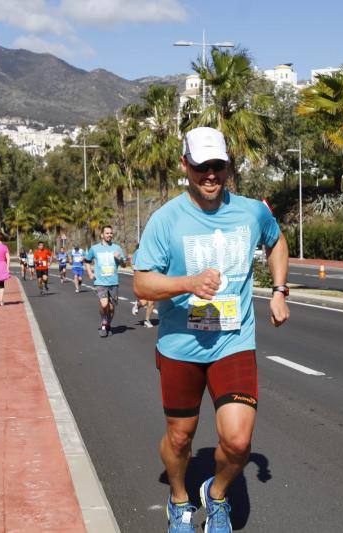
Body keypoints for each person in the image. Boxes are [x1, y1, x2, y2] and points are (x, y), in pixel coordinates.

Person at [133, 126, 290, 533]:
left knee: (238, 442)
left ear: (228, 166)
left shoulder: (252, 211)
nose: (210, 175)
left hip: (233, 341)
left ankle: (216, 494)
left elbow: (276, 241)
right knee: (181, 438)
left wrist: (278, 290)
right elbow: (141, 282)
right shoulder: (166, 220)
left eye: (218, 166)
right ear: (185, 164)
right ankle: (180, 499)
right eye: (202, 166)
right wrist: (187, 282)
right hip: (180, 345)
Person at [85, 226, 127, 337]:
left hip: (113, 282)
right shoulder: (95, 248)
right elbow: (87, 261)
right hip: (100, 281)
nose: (109, 235)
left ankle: (108, 323)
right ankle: (104, 322)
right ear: (102, 235)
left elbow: (124, 265)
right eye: (107, 233)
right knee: (104, 305)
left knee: (112, 308)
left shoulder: (117, 248)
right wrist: (90, 273)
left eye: (111, 233)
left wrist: (119, 259)